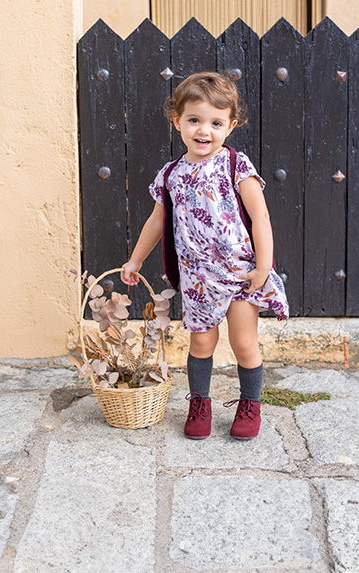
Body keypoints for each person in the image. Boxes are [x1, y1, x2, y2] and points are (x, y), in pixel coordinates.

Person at [121, 71, 288, 441]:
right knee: (201, 343)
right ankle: (200, 402)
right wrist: (134, 260)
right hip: (198, 279)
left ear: (231, 125)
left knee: (244, 343)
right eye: (194, 120)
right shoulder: (171, 175)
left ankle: (250, 404)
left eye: (216, 122)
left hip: (242, 274)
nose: (204, 130)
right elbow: (156, 222)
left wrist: (263, 267)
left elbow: (260, 217)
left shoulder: (236, 165)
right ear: (177, 120)